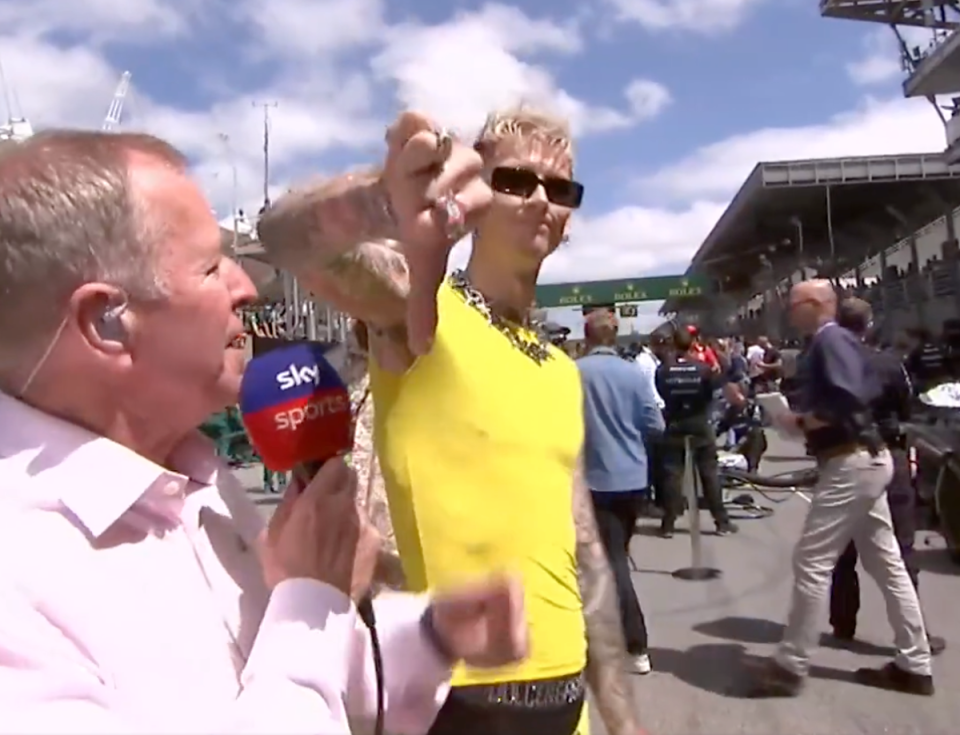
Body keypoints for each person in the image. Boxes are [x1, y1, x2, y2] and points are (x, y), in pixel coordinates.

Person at [0, 130, 528, 732]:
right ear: (108, 323)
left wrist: (427, 637)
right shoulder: (15, 580)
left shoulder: (192, 476)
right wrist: (311, 598)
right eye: (210, 267)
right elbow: (296, 648)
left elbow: (269, 670)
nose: (246, 288)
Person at [258, 109, 645, 735]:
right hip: (447, 697)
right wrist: (377, 202)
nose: (541, 198)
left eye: (560, 188)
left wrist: (623, 717)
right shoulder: (420, 305)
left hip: (563, 695)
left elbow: (586, 551)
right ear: (475, 197)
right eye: (515, 180)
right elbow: (284, 238)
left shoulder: (557, 369)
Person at [746, 280, 933, 697]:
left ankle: (790, 665)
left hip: (850, 460)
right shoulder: (834, 342)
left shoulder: (829, 340)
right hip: (867, 459)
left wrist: (804, 422)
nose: (788, 310)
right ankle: (915, 663)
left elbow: (852, 394)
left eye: (792, 303)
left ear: (814, 304)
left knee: (811, 561)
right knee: (887, 563)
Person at [828, 299, 946, 655]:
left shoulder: (825, 365)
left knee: (842, 550)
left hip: (842, 459)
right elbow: (906, 407)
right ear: (868, 325)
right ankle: (914, 634)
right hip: (885, 455)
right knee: (900, 549)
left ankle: (843, 623)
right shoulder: (889, 363)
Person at [577, 309, 665, 676]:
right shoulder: (633, 373)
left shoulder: (574, 373)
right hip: (633, 478)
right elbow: (655, 423)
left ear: (587, 336)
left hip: (595, 479)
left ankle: (634, 643)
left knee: (608, 563)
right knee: (616, 556)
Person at [655, 326, 739, 538]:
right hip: (700, 423)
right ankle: (722, 522)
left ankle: (668, 525)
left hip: (674, 424)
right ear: (693, 344)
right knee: (709, 474)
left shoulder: (663, 370)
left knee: (672, 475)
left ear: (673, 344)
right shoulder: (704, 369)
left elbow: (662, 392)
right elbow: (712, 392)